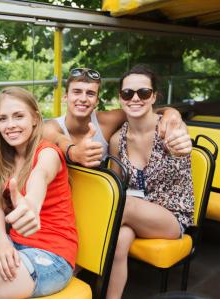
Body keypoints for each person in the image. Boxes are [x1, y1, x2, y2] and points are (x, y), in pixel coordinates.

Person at [0, 87, 78, 298]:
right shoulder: (4, 158)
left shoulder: (48, 153)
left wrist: (32, 204)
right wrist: (1, 242)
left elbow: (41, 176)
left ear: (35, 118)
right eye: (3, 119)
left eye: (19, 116)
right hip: (14, 242)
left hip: (52, 256)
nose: (10, 125)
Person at [107, 64, 194, 299]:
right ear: (121, 98)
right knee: (119, 240)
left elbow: (182, 140)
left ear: (154, 96)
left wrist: (183, 144)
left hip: (171, 216)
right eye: (127, 93)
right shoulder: (118, 140)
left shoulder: (170, 128)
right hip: (136, 213)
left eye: (143, 93)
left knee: (119, 205)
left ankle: (68, 268)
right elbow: (116, 185)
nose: (135, 98)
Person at [43, 67, 190, 168]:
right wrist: (75, 153)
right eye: (76, 92)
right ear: (65, 97)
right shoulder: (51, 127)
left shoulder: (108, 120)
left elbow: (144, 110)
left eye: (90, 94)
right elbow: (60, 141)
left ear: (97, 101)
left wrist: (171, 113)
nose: (83, 99)